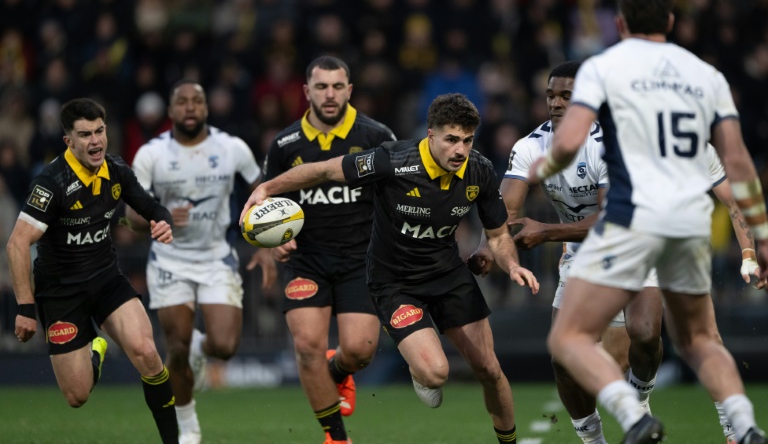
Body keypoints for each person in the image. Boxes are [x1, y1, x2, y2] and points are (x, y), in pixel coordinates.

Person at [528, 0, 768, 444]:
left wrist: (544, 165)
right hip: (686, 223)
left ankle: (633, 416)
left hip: (631, 217)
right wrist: (760, 235)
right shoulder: (707, 76)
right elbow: (737, 162)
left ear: (619, 22)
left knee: (567, 337)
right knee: (701, 340)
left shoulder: (604, 68)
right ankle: (744, 426)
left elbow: (571, 140)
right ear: (672, 20)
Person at [472, 60, 757, 444]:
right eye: (551, 95)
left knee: (678, 335)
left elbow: (732, 199)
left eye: (566, 96)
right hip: (587, 251)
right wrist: (486, 248)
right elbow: (504, 215)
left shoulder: (649, 144)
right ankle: (600, 437)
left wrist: (749, 252)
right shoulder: (535, 146)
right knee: (568, 356)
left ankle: (717, 424)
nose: (556, 103)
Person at [243, 92, 541, 444]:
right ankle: (418, 369)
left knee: (490, 369)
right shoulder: (392, 160)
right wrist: (267, 187)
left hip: (447, 274)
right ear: (431, 134)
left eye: (467, 140)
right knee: (435, 374)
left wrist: (511, 266)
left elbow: (497, 234)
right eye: (451, 139)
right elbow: (325, 170)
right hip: (394, 282)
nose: (460, 150)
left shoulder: (479, 169)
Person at [6, 98, 178, 443]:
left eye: (99, 131)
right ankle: (95, 347)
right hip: (61, 292)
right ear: (68, 141)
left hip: (105, 279)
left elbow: (151, 206)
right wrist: (25, 307)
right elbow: (16, 243)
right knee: (77, 396)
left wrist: (164, 221)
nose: (96, 141)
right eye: (85, 134)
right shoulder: (51, 183)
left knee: (147, 353)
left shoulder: (116, 170)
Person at [126, 80, 276, 444]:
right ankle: (188, 425)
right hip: (170, 260)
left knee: (224, 346)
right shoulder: (151, 154)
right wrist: (157, 218)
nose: (190, 107)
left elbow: (263, 193)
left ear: (207, 108)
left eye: (197, 101)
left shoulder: (231, 148)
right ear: (171, 110)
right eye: (182, 102)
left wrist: (266, 243)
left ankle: (199, 348)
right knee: (174, 348)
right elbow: (131, 217)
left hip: (215, 258)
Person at [259, 55, 396, 444]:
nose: (330, 94)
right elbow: (265, 203)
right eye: (321, 87)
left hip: (361, 260)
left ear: (350, 90)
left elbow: (394, 198)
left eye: (338, 86)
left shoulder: (376, 136)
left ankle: (338, 371)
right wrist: (275, 242)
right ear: (306, 92)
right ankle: (336, 437)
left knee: (360, 351)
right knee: (306, 345)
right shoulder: (285, 144)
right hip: (307, 260)